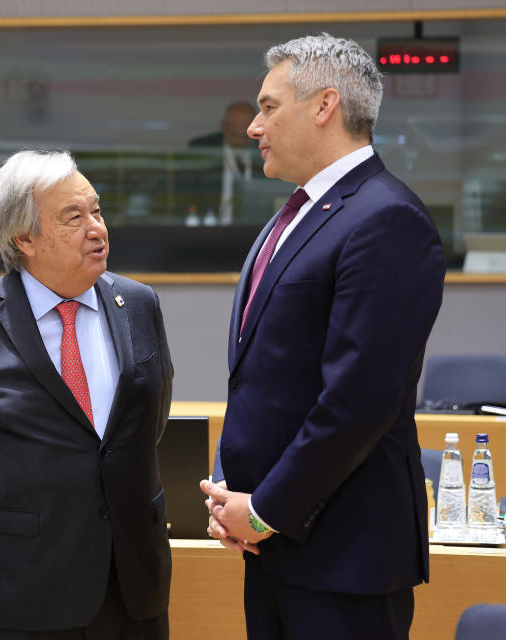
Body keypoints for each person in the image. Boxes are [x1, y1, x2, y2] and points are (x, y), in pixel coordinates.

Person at [199, 34, 445, 640]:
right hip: (277, 545)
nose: (254, 127)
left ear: (324, 105)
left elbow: (357, 400)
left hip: (346, 556)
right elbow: (267, 376)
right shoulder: (301, 211)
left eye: (268, 107)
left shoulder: (386, 218)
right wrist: (235, 488)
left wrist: (261, 511)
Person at [0, 149, 174, 639]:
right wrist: (26, 516)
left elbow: (149, 424)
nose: (97, 228)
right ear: (25, 239)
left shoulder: (139, 305)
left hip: (132, 585)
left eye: (96, 210)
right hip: (23, 588)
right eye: (73, 217)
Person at [187, 101, 261, 224]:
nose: (241, 142)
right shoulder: (202, 150)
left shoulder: (266, 152)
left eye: (246, 136)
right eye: (236, 135)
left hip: (254, 231)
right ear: (224, 127)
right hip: (209, 229)